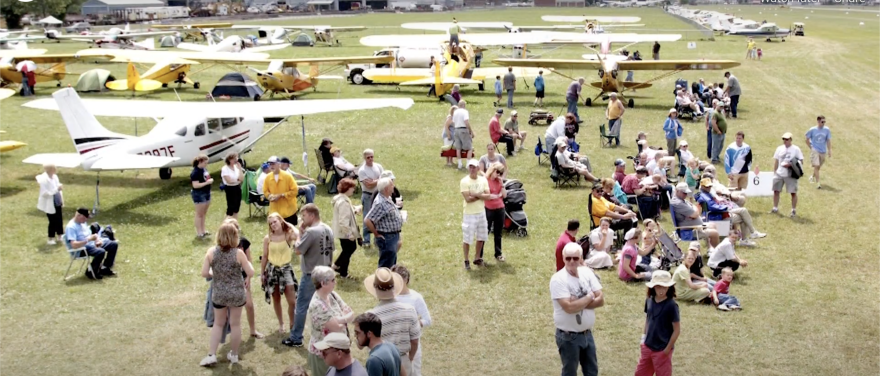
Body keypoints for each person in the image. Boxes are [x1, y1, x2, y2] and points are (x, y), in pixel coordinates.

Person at [200, 222, 254, 366]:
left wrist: (214, 273)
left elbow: (204, 273)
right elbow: (251, 272)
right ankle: (234, 355)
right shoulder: (239, 253)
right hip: (237, 293)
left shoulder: (211, 252)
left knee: (218, 324)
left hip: (219, 293)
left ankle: (212, 354)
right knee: (235, 324)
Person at [550, 242, 604, 376]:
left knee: (592, 371)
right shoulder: (558, 279)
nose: (572, 261)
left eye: (575, 258)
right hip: (569, 337)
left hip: (587, 334)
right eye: (568, 258)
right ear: (563, 258)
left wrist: (578, 302)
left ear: (580, 258)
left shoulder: (587, 272)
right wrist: (590, 296)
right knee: (569, 373)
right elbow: (568, 308)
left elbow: (601, 300)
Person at [285, 204, 334, 347]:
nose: (302, 219)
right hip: (327, 274)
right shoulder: (328, 229)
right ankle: (329, 334)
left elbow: (298, 250)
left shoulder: (311, 232)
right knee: (326, 306)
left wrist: (299, 233)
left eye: (304, 216)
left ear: (312, 216)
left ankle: (296, 338)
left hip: (311, 275)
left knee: (301, 306)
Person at [365, 268, 421, 376]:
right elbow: (414, 341)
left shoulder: (370, 316)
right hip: (403, 360)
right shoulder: (409, 310)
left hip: (380, 362)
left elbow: (362, 344)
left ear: (375, 290)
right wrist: (410, 358)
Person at [307, 266, 354, 376]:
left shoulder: (332, 295)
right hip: (323, 355)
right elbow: (336, 327)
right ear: (323, 283)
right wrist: (346, 318)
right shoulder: (317, 305)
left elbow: (349, 312)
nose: (335, 282)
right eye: (333, 280)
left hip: (337, 351)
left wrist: (340, 319)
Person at [634, 271, 680, 376]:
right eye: (658, 286)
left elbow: (677, 330)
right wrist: (643, 339)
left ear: (669, 287)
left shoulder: (671, 305)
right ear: (653, 287)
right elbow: (648, 319)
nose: (661, 290)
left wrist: (667, 349)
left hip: (662, 349)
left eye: (665, 287)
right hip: (647, 345)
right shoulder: (649, 300)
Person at [262, 212, 300, 335]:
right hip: (272, 270)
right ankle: (281, 323)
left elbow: (298, 234)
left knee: (292, 301)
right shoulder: (268, 238)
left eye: (275, 221)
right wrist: (262, 273)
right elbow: (265, 256)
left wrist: (289, 225)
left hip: (286, 269)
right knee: (276, 297)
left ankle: (292, 323)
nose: (273, 225)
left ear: (280, 221)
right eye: (271, 223)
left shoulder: (288, 235)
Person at [391, 264, 431, 376]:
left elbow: (427, 319)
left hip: (412, 344)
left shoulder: (416, 297)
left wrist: (415, 323)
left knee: (414, 372)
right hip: (394, 343)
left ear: (406, 280)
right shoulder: (390, 297)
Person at [66, 207, 118, 280]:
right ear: (79, 215)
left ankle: (105, 267)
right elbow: (74, 245)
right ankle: (91, 272)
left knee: (113, 244)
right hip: (81, 249)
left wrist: (97, 239)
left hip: (91, 244)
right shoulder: (71, 227)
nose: (86, 220)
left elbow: (90, 235)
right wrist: (88, 240)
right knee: (100, 251)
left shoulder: (82, 223)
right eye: (85, 217)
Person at [364, 178, 404, 268]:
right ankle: (382, 281)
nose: (393, 186)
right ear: (386, 188)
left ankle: (389, 281)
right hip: (387, 238)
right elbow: (368, 220)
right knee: (386, 266)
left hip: (393, 236)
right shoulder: (380, 203)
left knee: (392, 263)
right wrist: (376, 234)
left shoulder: (387, 198)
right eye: (391, 185)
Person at [460, 159, 491, 270]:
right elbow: (468, 199)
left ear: (478, 168)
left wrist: (475, 194)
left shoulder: (483, 180)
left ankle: (477, 257)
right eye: (470, 167)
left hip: (481, 212)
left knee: (481, 236)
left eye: (474, 167)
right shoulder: (464, 181)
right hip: (469, 214)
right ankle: (466, 260)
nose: (472, 169)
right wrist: (481, 195)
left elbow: (488, 195)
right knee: (467, 238)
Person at [332, 178, 362, 280]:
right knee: (349, 249)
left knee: (347, 250)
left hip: (342, 232)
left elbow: (346, 212)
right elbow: (343, 221)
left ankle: (337, 266)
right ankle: (343, 272)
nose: (354, 190)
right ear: (347, 188)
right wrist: (349, 234)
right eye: (352, 188)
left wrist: (355, 209)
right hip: (345, 232)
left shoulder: (342, 199)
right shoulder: (343, 202)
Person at [772, 132, 804, 217]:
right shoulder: (779, 148)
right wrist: (775, 172)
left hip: (790, 174)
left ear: (790, 139)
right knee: (776, 191)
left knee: (793, 192)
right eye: (784, 139)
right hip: (779, 173)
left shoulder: (796, 149)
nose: (785, 141)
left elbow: (801, 161)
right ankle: (775, 207)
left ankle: (793, 210)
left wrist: (791, 165)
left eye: (787, 139)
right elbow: (776, 161)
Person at [358, 149, 384, 248]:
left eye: (372, 157)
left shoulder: (378, 167)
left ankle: (377, 239)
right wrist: (379, 179)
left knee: (378, 217)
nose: (370, 159)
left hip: (378, 194)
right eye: (368, 157)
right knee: (367, 217)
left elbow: (385, 179)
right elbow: (368, 185)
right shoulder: (362, 170)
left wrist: (374, 181)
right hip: (368, 195)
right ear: (364, 158)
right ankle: (366, 240)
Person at [263, 156, 300, 225]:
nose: (271, 166)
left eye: (273, 164)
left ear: (279, 164)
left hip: (289, 211)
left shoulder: (287, 176)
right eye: (270, 164)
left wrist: (282, 195)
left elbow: (294, 191)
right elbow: (265, 191)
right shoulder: (268, 177)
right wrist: (270, 196)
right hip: (275, 212)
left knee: (291, 233)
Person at [483, 162, 507, 263]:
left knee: (498, 233)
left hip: (500, 208)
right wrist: (491, 196)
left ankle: (498, 253)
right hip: (489, 208)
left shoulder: (499, 181)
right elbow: (485, 194)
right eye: (497, 172)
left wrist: (502, 185)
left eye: (501, 173)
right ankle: (479, 255)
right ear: (492, 170)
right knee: (485, 232)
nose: (498, 175)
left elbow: (505, 195)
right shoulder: (486, 180)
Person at [37, 164, 64, 245]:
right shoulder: (44, 180)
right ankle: (51, 238)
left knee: (59, 220)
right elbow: (45, 193)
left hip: (57, 201)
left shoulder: (55, 177)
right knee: (52, 221)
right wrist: (56, 189)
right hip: (49, 203)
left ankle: (60, 235)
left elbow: (57, 185)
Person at [805, 115, 832, 189]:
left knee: (818, 167)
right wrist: (811, 147)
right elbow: (807, 139)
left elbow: (828, 140)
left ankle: (812, 176)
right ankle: (818, 183)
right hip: (815, 150)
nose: (823, 123)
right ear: (818, 121)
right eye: (822, 122)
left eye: (824, 122)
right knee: (816, 166)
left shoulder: (827, 130)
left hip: (823, 151)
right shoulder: (812, 130)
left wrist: (829, 150)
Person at [191, 154, 213, 238]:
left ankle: (203, 230)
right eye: (205, 163)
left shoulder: (204, 169)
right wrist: (207, 183)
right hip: (199, 194)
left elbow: (206, 178)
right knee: (199, 214)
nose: (206, 164)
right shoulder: (195, 172)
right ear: (200, 162)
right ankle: (199, 232)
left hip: (207, 192)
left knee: (204, 213)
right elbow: (195, 185)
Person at [451, 100, 474, 170]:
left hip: (456, 129)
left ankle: (460, 164)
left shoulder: (455, 112)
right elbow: (466, 122)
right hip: (463, 129)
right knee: (469, 148)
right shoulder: (465, 111)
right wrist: (470, 131)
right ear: (464, 105)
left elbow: (453, 122)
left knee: (458, 148)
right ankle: (468, 164)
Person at [221, 152, 244, 220]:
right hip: (230, 188)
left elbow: (241, 178)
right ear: (229, 160)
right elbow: (229, 180)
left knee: (237, 207)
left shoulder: (236, 167)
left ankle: (235, 223)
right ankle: (226, 224)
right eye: (233, 158)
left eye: (236, 158)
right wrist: (237, 180)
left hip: (237, 187)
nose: (235, 160)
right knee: (231, 207)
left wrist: (240, 169)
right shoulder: (225, 168)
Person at [708, 99, 728, 164]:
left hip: (722, 132)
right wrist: (718, 130)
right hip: (717, 133)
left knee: (720, 146)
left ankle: (717, 156)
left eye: (722, 106)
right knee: (715, 146)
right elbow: (713, 123)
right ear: (717, 106)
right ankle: (714, 159)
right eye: (720, 106)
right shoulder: (715, 113)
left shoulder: (721, 112)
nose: (721, 108)